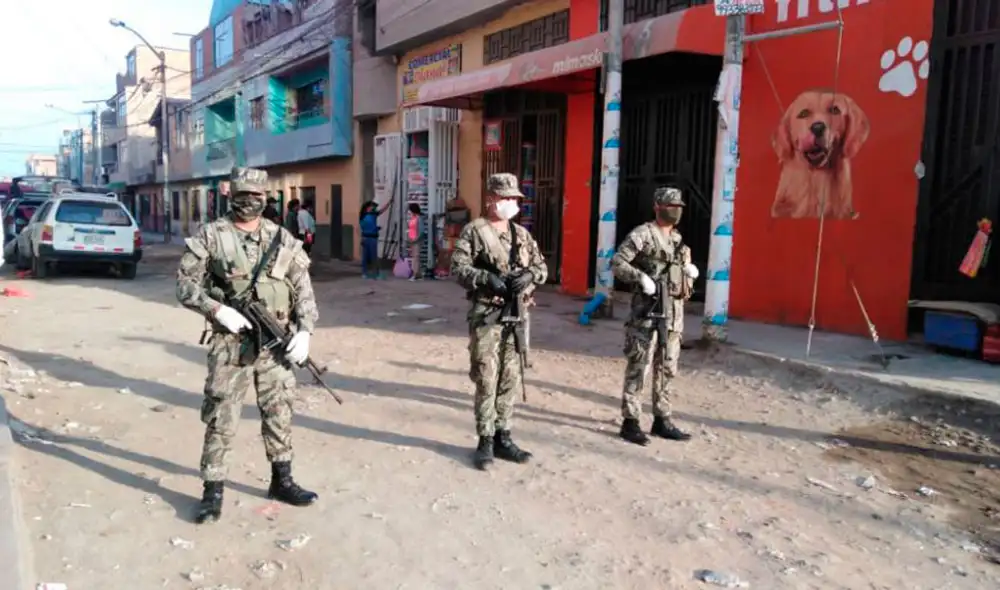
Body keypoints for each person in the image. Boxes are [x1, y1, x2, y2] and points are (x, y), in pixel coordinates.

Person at [176, 167, 320, 524]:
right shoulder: (211, 236)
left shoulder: (281, 237)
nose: (249, 203)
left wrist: (305, 330)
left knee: (279, 411)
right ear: (231, 196)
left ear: (266, 198)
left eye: (256, 197)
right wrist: (217, 309)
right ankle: (212, 491)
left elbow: (302, 287)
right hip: (231, 343)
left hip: (276, 343)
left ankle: (281, 480)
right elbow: (185, 286)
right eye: (243, 196)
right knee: (222, 415)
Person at [451, 173, 547, 470]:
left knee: (511, 377)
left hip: (516, 315)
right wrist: (486, 278)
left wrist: (530, 275)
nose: (510, 203)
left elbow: (541, 266)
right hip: (487, 315)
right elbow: (457, 267)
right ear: (491, 198)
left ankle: (504, 435)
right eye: (505, 198)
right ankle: (486, 440)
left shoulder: (521, 234)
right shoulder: (475, 231)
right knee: (486, 376)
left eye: (514, 199)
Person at [610, 187, 699, 446]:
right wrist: (640, 278)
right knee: (640, 365)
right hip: (646, 312)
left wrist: (688, 272)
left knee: (667, 366)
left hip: (673, 314)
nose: (676, 210)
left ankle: (662, 419)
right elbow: (618, 263)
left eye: (679, 206)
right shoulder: (643, 234)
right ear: (657, 207)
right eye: (671, 205)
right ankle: (631, 421)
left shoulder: (679, 241)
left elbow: (681, 279)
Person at [359, 200, 390, 279]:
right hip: (370, 238)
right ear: (368, 207)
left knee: (369, 256)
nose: (374, 208)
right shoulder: (369, 215)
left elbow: (382, 210)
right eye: (373, 207)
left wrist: (388, 203)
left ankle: (369, 273)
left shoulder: (367, 215)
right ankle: (372, 273)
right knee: (370, 256)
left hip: (368, 237)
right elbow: (362, 228)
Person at [407, 203, 425, 281]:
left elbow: (421, 231)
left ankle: (415, 275)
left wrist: (416, 239)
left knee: (415, 258)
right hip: (412, 240)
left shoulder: (419, 218)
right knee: (414, 257)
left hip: (417, 241)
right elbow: (410, 229)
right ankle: (419, 274)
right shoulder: (412, 218)